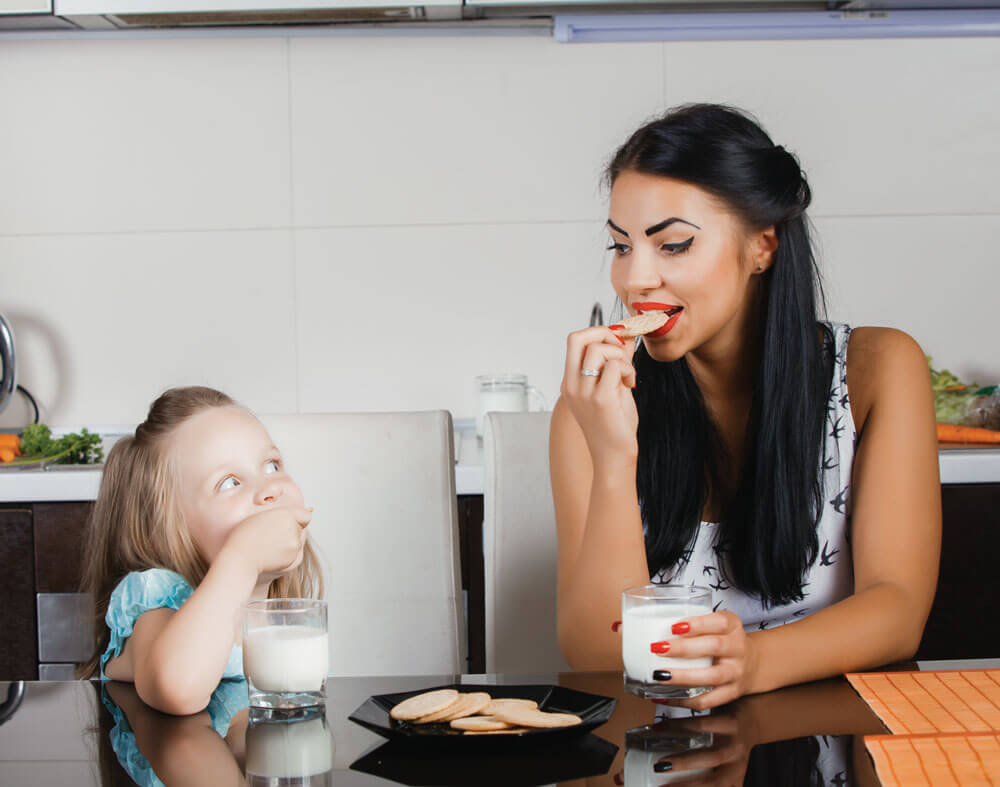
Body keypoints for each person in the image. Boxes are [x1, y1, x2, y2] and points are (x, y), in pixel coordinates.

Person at [551, 103, 941, 710]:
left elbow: (897, 610)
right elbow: (598, 654)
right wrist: (612, 459)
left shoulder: (878, 369)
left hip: (826, 737)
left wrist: (751, 663)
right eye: (621, 247)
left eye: (673, 245)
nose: (635, 280)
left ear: (762, 246)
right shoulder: (594, 406)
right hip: (666, 752)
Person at [78, 386, 323, 715]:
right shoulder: (158, 605)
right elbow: (176, 689)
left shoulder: (284, 620)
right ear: (164, 530)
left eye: (272, 465)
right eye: (229, 483)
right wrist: (242, 557)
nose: (271, 488)